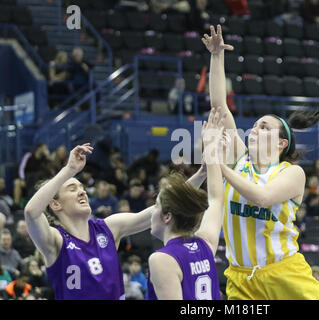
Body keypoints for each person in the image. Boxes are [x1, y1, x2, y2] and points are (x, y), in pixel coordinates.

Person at [201, 25, 319, 300]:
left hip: (284, 273)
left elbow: (262, 197)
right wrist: (217, 56)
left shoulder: (292, 174)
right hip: (241, 277)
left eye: (264, 127)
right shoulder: (240, 160)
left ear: (281, 143)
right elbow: (219, 107)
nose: (255, 129)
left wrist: (216, 164)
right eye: (255, 125)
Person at [23, 143, 155, 300]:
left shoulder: (109, 228)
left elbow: (159, 210)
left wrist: (192, 182)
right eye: (72, 189)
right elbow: (31, 212)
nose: (82, 192)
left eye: (82, 188)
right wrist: (68, 170)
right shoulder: (56, 241)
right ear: (55, 204)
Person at [147, 111, 225, 300]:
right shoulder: (205, 244)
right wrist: (212, 150)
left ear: (167, 216)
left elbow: (215, 199)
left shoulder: (161, 259)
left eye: (155, 206)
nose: (151, 212)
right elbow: (216, 198)